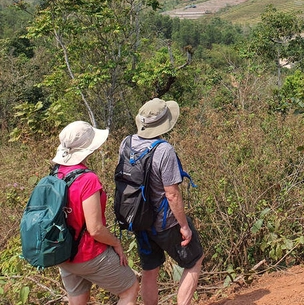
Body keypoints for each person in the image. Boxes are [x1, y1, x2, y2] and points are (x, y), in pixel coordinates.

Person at [121, 98, 203, 305]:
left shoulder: (126, 143)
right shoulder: (164, 150)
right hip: (165, 224)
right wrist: (184, 226)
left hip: (139, 221)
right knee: (194, 260)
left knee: (150, 270)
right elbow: (172, 194)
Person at [52, 121, 139, 305]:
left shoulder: (55, 173)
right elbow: (96, 229)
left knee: (77, 300)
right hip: (88, 254)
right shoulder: (87, 180)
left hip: (63, 254)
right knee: (130, 289)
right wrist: (116, 243)